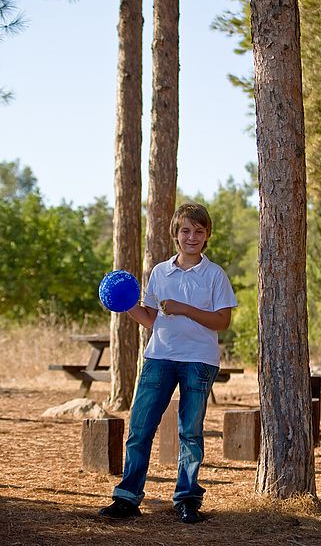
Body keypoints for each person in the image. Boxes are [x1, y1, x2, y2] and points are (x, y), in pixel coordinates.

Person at [98, 202, 237, 523]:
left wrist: (183, 307)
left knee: (190, 433)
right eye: (185, 231)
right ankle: (127, 498)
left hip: (199, 361)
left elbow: (222, 321)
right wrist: (126, 304)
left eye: (198, 232)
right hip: (158, 357)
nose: (192, 237)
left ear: (207, 236)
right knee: (140, 428)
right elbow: (151, 319)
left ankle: (187, 499)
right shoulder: (160, 272)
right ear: (175, 234)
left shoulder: (215, 275)